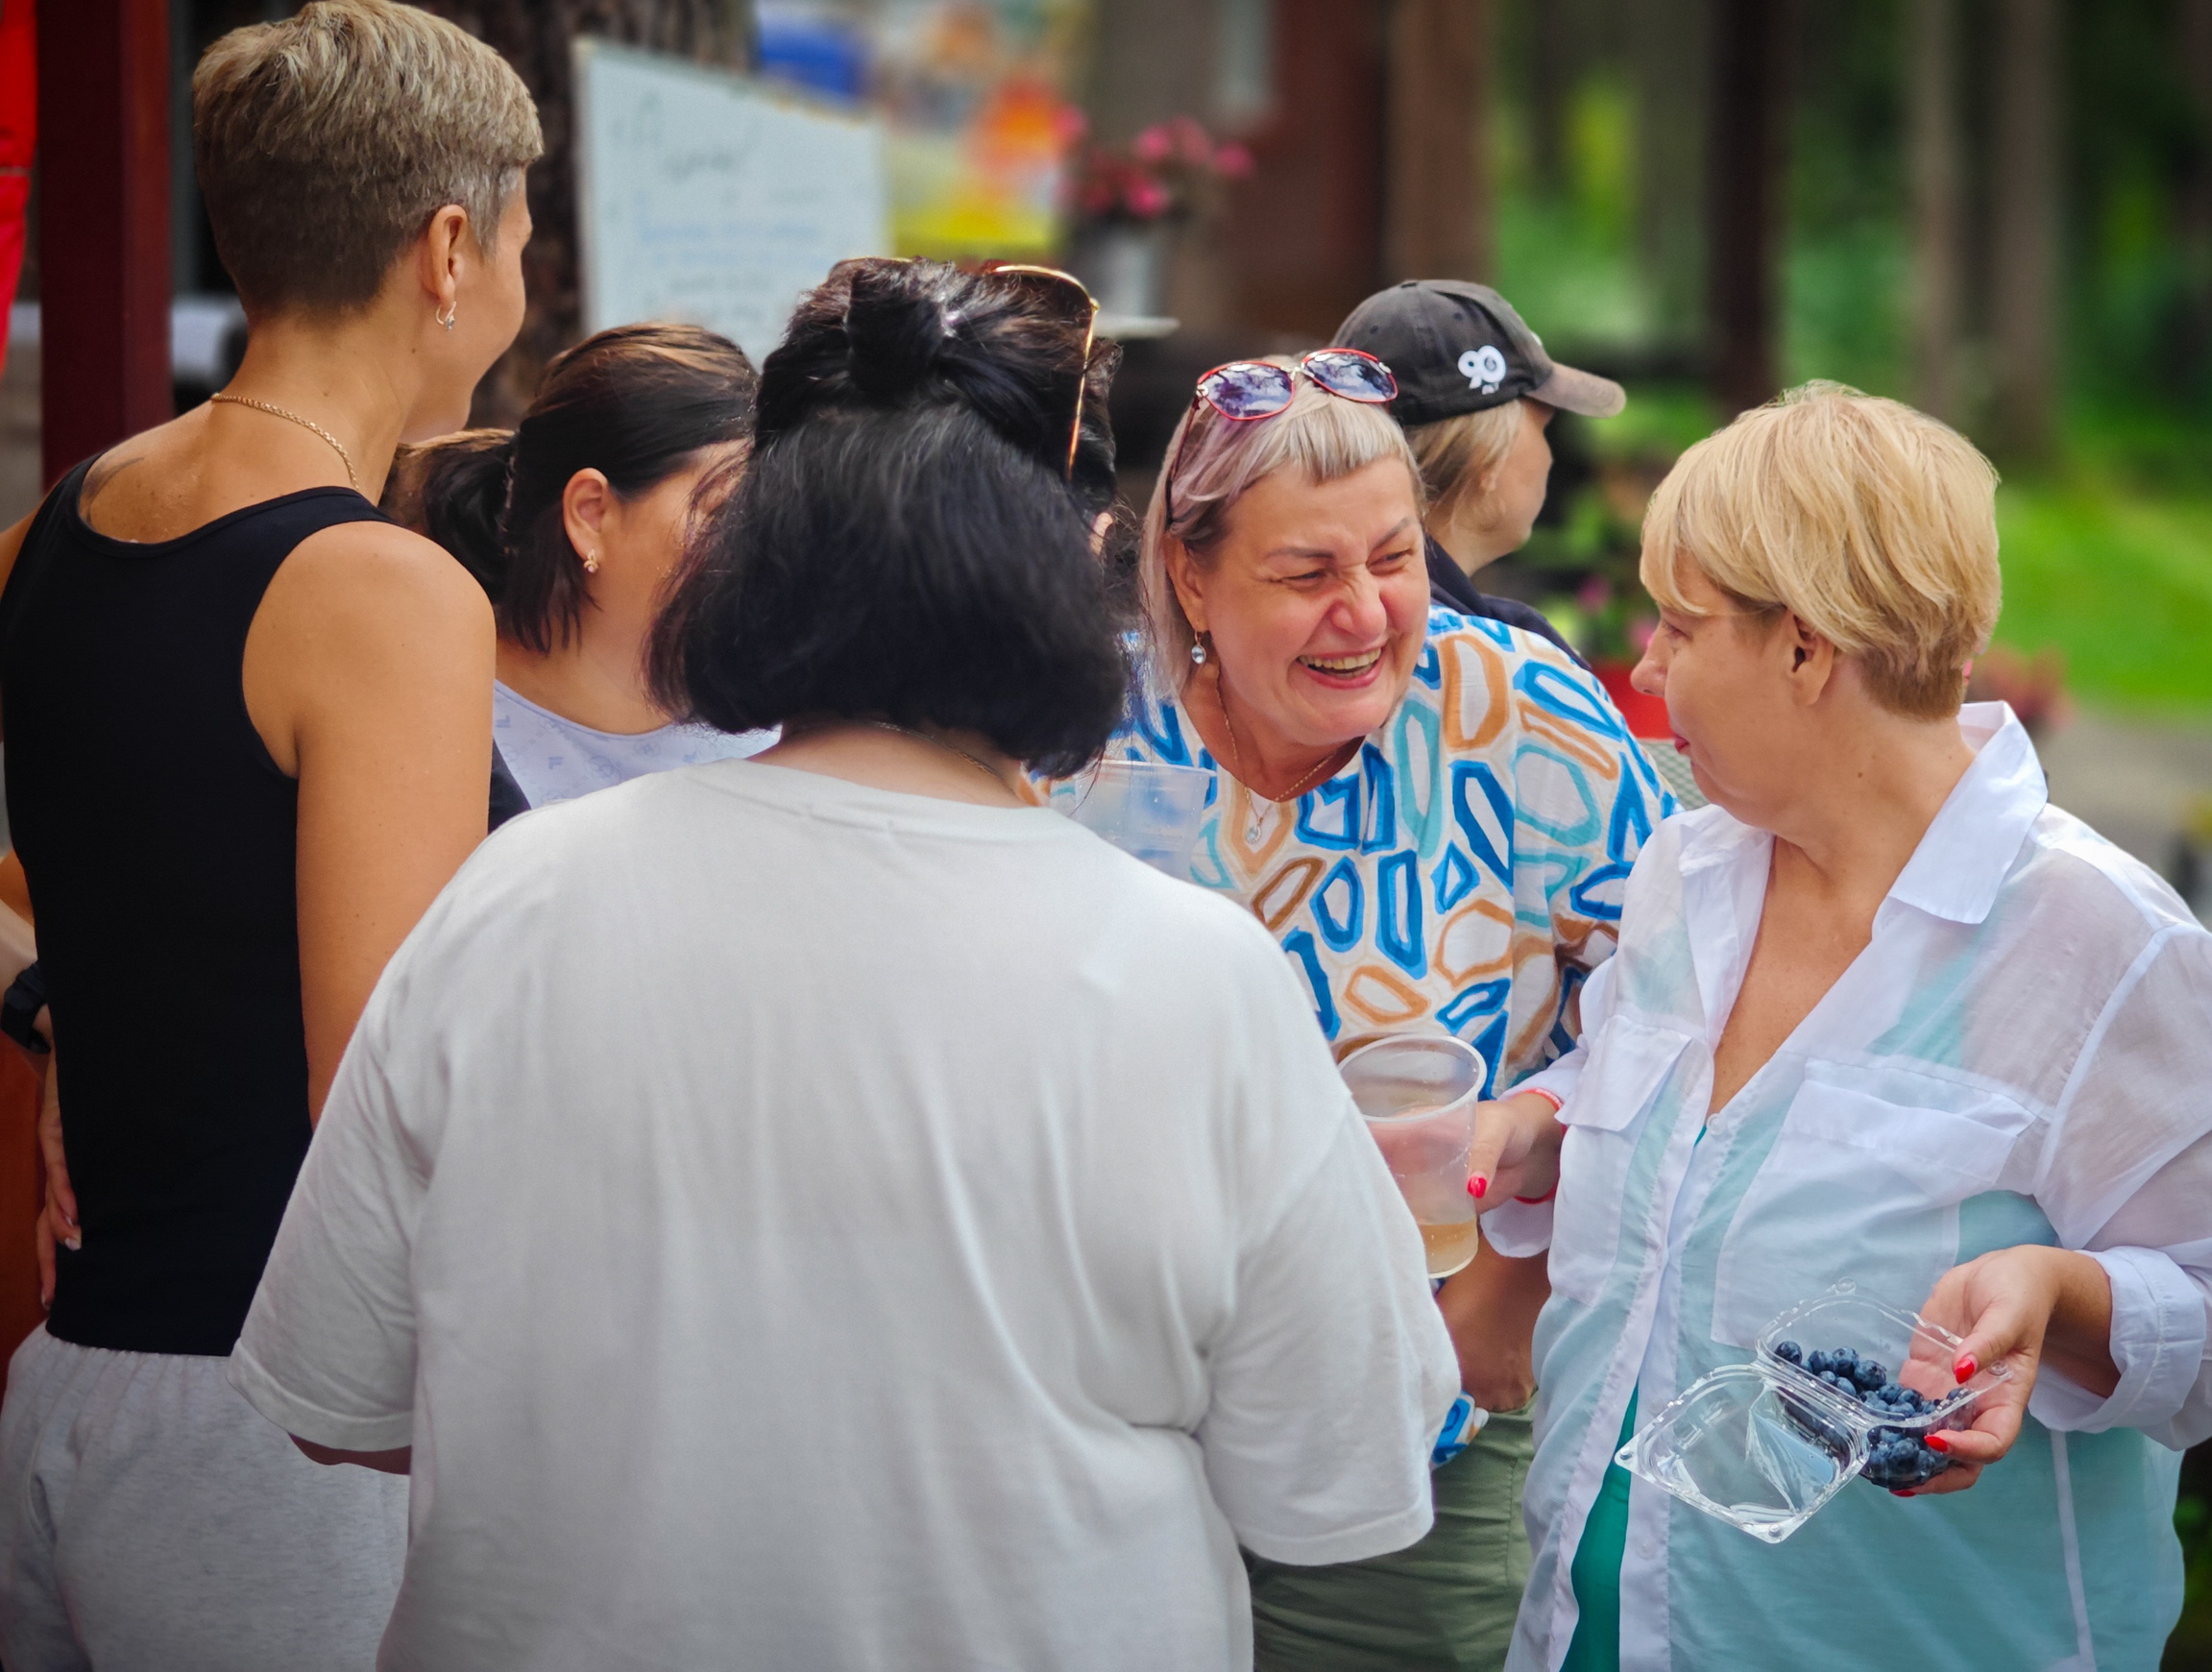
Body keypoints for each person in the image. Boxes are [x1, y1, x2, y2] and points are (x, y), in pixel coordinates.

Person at [226, 287, 1460, 1669]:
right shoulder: (1193, 976)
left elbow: (335, 1401)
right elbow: (1338, 1482)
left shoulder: (515, 898)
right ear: (1092, 562)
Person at [1473, 385, 2212, 1670]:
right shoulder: (1683, 877)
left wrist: (2060, 1293)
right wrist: (1545, 1126)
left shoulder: (2101, 945)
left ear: (1807, 651)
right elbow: (1698, 1140)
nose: (1642, 666)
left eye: (1680, 625)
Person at [0, 0, 537, 1668]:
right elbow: (382, 1081)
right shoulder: (380, 590)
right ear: (450, 247)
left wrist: (54, 1012)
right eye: (526, 230)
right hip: (288, 1432)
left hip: (69, 1393)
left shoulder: (53, 524)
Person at [1039, 350, 1676, 1671]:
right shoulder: (1080, 722)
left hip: (1421, 1400)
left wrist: (1513, 1286)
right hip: (1110, 1413)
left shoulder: (1510, 709)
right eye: (1305, 573)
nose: (1368, 612)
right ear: (1189, 576)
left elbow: (1681, 1004)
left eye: (1392, 559)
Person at [388, 322, 778, 818]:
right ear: (591, 514)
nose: (761, 542)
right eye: (723, 512)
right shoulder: (429, 707)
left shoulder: (781, 724)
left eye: (768, 511)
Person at [1332, 279, 1623, 661]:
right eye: (1542, 425)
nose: (1551, 458)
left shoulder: (1326, 625)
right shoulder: (1512, 668)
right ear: (1489, 455)